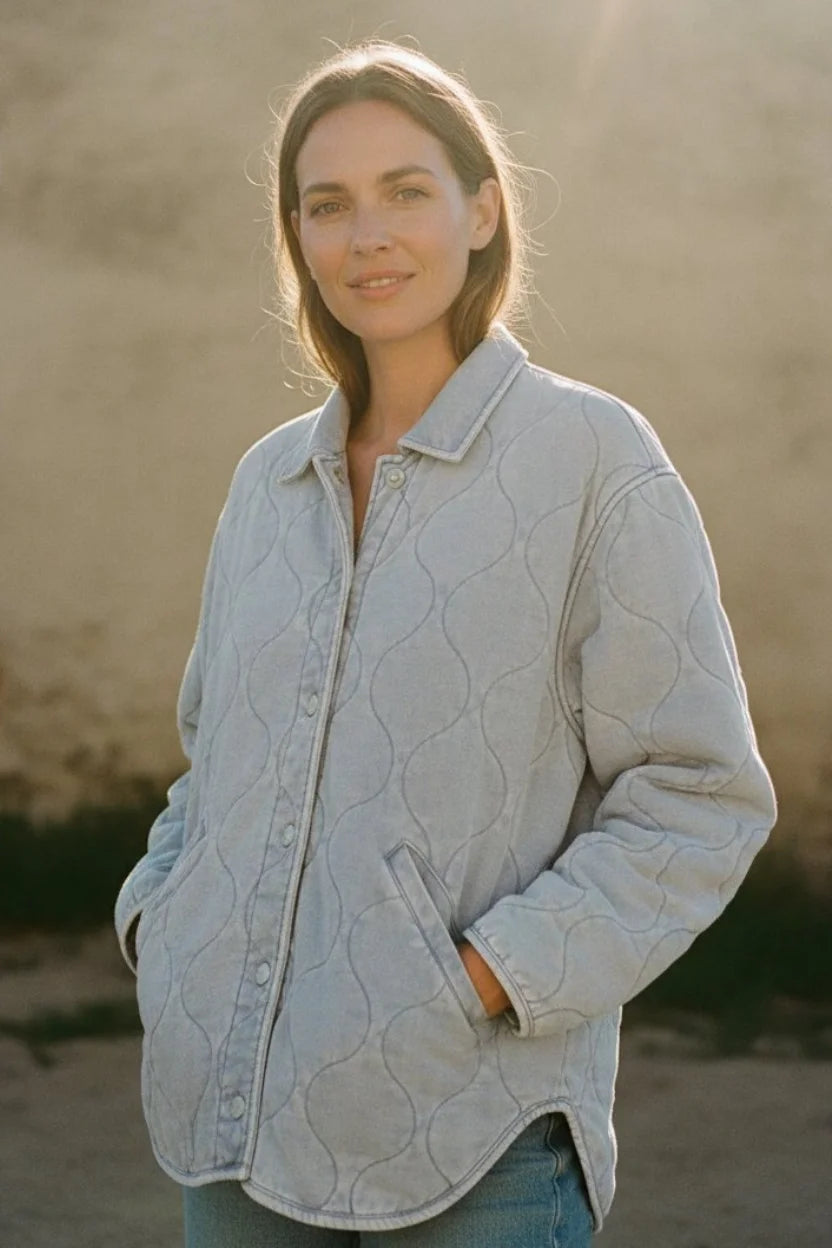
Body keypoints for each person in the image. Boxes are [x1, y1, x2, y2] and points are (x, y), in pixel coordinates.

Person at [114, 40, 777, 1248]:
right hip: (233, 1126)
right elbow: (216, 765)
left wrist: (484, 978)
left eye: (405, 191)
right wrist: (164, 929)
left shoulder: (592, 459)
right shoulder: (268, 483)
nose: (366, 235)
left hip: (478, 1135)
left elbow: (698, 793)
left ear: (481, 212)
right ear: (297, 238)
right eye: (327, 204)